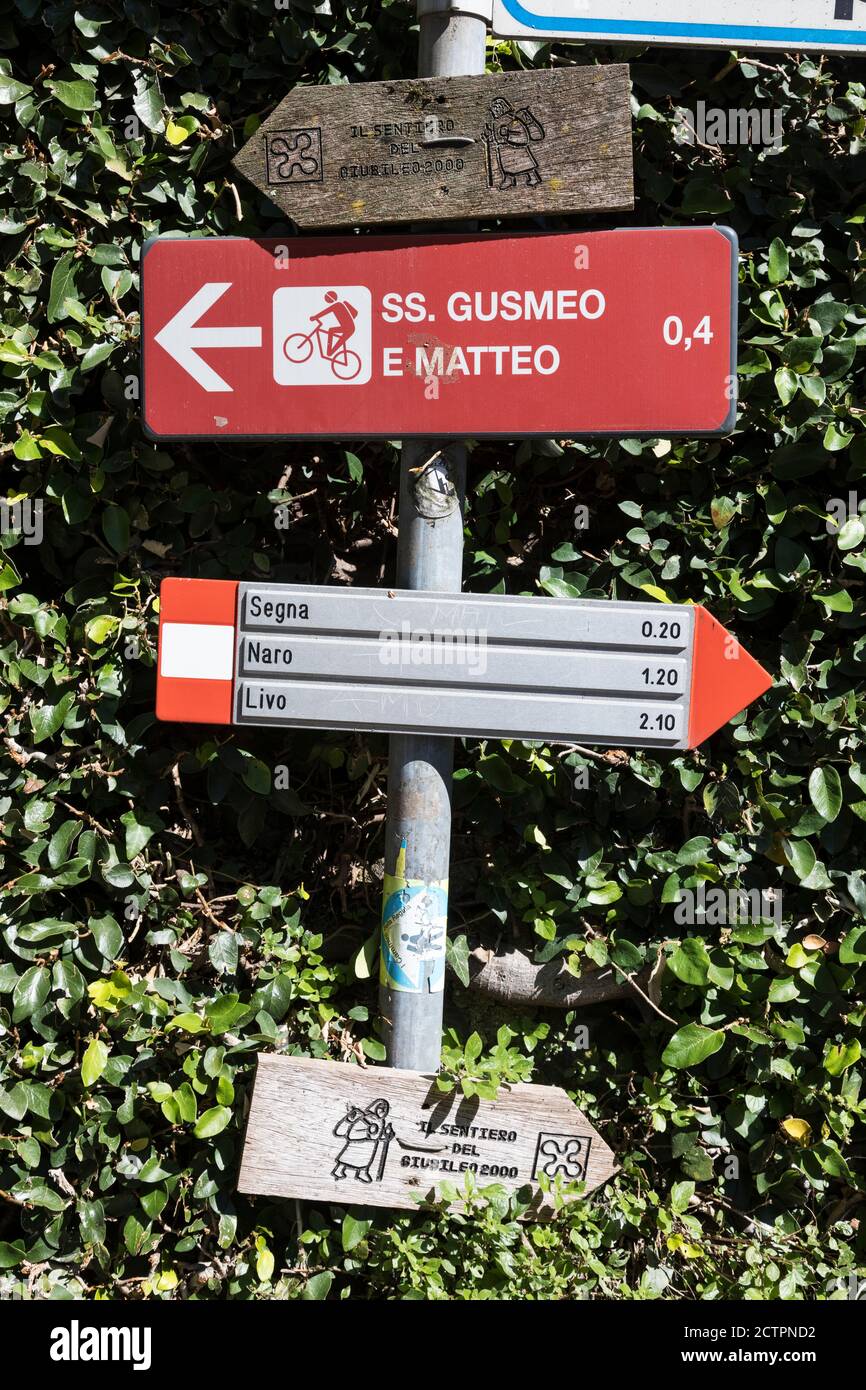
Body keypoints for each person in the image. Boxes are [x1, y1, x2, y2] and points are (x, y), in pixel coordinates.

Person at [484, 97, 545, 189]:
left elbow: (522, 135)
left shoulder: (513, 120)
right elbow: (496, 136)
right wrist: (490, 138)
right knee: (507, 168)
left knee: (526, 165)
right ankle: (508, 180)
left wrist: (508, 135)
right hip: (504, 150)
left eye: (494, 110)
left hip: (518, 150)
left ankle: (533, 178)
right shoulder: (496, 123)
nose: (493, 113)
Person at [309, 290, 358, 360]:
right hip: (348, 327)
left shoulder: (337, 305)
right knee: (332, 331)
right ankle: (330, 352)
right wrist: (315, 317)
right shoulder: (339, 305)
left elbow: (325, 312)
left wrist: (315, 317)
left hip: (349, 329)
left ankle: (329, 352)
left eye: (328, 299)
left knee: (331, 330)